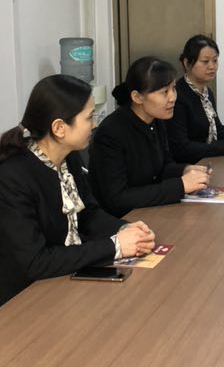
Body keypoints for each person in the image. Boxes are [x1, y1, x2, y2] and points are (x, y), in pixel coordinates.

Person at [0, 75, 156, 306]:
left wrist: (124, 229)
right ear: (59, 128)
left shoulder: (68, 157)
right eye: (89, 117)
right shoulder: (12, 177)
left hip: (65, 278)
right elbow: (35, 262)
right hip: (25, 298)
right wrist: (115, 246)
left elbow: (88, 214)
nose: (94, 124)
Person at [89, 57, 211, 218]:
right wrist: (180, 185)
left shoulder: (156, 120)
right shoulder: (111, 133)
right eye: (164, 92)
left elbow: (163, 167)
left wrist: (185, 170)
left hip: (151, 210)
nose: (173, 97)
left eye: (173, 89)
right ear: (137, 97)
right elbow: (117, 199)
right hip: (124, 219)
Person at [167, 34, 224, 163]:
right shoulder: (177, 96)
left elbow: (216, 127)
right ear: (187, 63)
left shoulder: (207, 92)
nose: (212, 66)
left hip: (209, 160)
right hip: (189, 165)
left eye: (215, 60)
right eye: (205, 61)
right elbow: (181, 148)